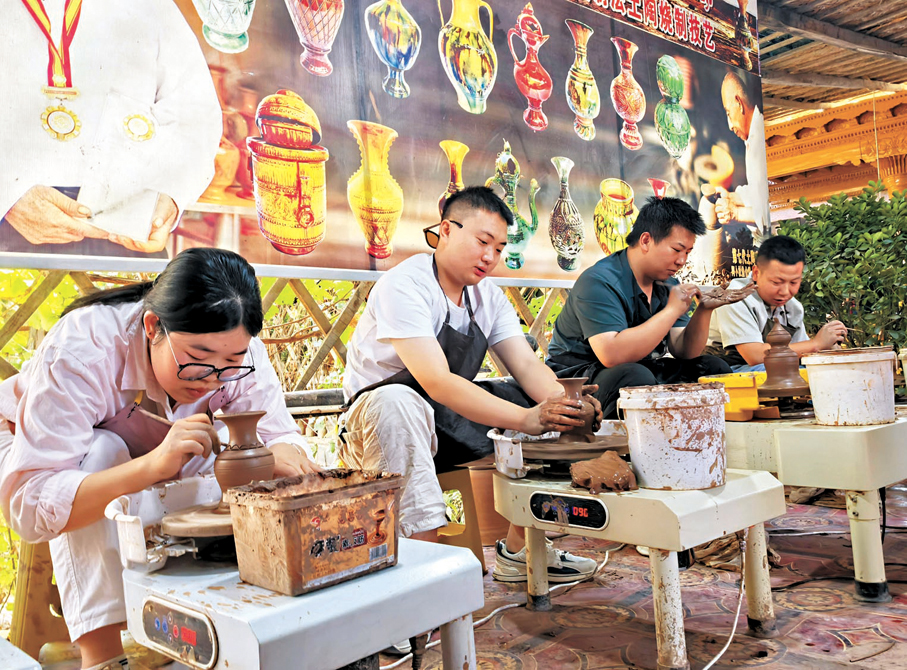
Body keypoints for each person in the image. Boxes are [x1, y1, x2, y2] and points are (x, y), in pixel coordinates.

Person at [0, 248, 318, 670]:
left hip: (158, 448)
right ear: (153, 327)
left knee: (228, 445)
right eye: (198, 361)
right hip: (33, 453)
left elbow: (283, 436)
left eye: (231, 363)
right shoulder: (84, 347)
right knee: (104, 452)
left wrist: (279, 453)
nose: (212, 378)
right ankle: (104, 656)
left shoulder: (240, 357)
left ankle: (202, 627)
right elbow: (29, 501)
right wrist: (151, 467)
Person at [341, 186, 601, 585]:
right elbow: (438, 382)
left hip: (446, 418)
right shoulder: (405, 285)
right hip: (379, 423)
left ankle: (521, 550)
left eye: (499, 248)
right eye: (483, 242)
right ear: (445, 229)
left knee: (543, 407)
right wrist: (526, 419)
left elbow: (528, 367)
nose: (490, 257)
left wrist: (568, 403)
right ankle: (406, 580)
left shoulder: (488, 298)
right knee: (399, 401)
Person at [1, 0, 222, 257]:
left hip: (127, 230)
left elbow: (196, 111)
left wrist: (172, 195)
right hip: (9, 229)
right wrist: (7, 196)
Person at [546, 196, 752, 419]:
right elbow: (611, 355)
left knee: (713, 369)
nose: (682, 260)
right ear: (645, 241)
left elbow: (683, 350)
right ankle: (628, 450)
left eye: (688, 252)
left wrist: (704, 310)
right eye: (676, 249)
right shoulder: (599, 281)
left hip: (637, 368)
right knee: (634, 380)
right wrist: (671, 311)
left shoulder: (668, 284)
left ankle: (700, 440)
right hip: (579, 378)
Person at [706, 235, 847, 371]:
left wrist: (828, 347)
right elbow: (754, 356)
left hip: (770, 366)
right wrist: (816, 344)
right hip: (723, 369)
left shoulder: (793, 308)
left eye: (794, 282)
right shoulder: (736, 297)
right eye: (776, 282)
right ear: (756, 273)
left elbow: (801, 351)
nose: (785, 291)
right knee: (778, 373)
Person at [714, 71, 769, 239]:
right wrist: (732, 196)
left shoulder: (761, 138)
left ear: (739, 103)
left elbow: (766, 211)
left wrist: (736, 213)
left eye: (729, 113)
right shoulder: (751, 138)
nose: (730, 125)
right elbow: (757, 193)